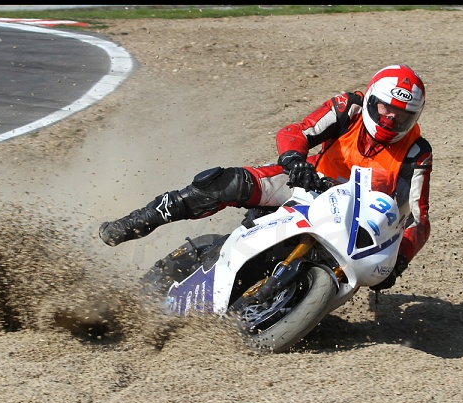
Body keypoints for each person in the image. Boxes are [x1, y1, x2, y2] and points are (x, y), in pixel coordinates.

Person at [99, 64, 432, 291]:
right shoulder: (350, 107)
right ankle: (137, 221)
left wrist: (400, 259)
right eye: (387, 107)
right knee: (223, 183)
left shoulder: (417, 152)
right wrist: (292, 159)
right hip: (309, 182)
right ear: (373, 97)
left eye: (402, 114)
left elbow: (419, 219)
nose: (391, 118)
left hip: (355, 219)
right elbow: (298, 130)